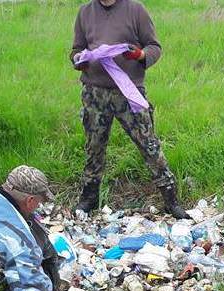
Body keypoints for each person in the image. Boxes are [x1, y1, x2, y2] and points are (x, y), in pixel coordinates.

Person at [70, 0, 189, 219]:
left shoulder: (136, 9)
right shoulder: (85, 11)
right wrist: (79, 59)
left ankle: (171, 200)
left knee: (149, 144)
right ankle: (89, 198)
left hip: (129, 92)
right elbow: (76, 49)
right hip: (94, 93)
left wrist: (139, 55)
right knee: (93, 147)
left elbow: (154, 47)